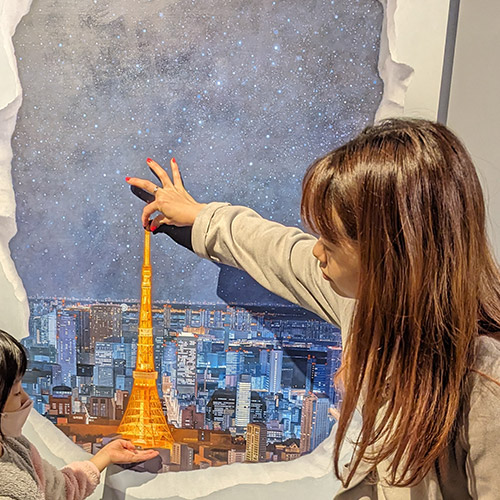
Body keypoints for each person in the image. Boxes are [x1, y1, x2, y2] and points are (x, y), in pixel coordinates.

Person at [127, 118, 500, 499]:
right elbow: (280, 251)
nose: (317, 251)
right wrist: (201, 218)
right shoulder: (370, 303)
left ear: (390, 253)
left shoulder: (487, 385)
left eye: (331, 241)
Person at [0, 329, 159, 500]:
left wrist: (106, 456)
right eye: (16, 392)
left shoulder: (16, 446)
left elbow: (60, 490)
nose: (26, 399)